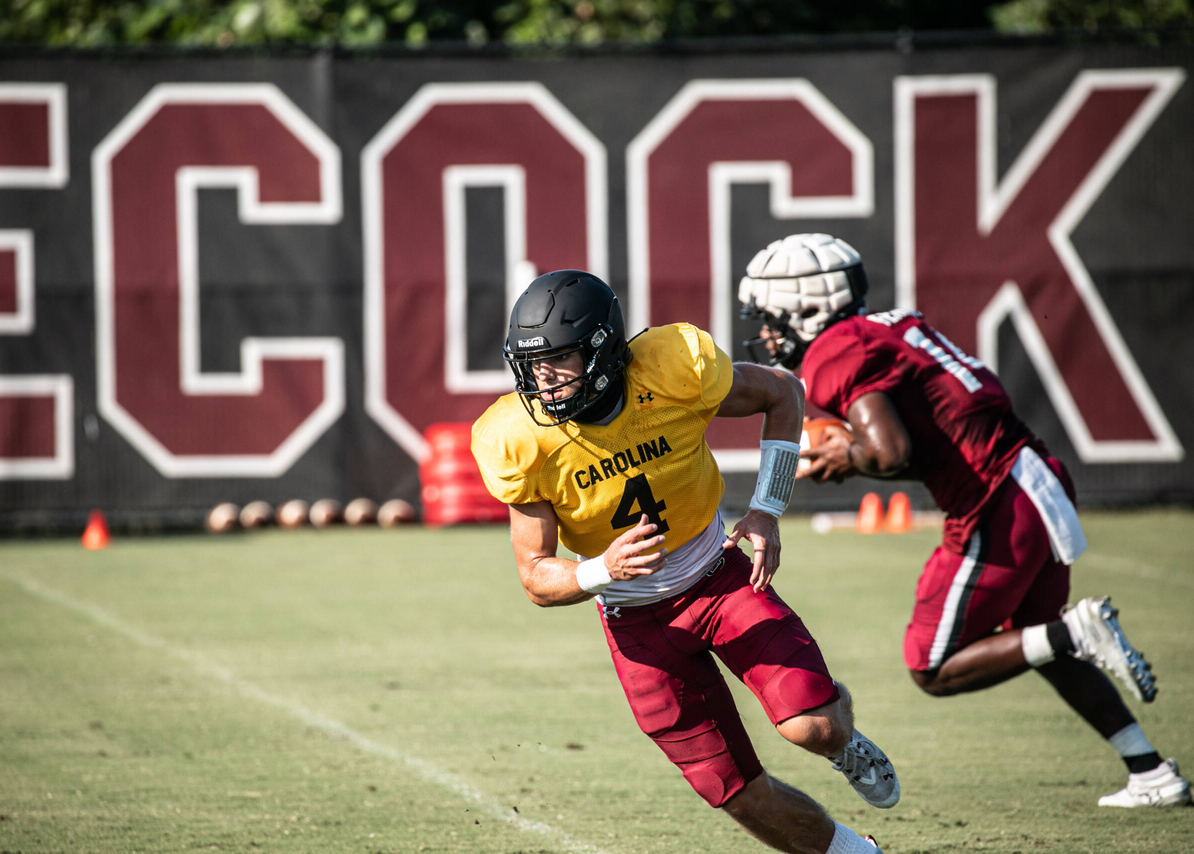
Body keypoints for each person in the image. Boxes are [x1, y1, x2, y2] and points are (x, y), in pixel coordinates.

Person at [738, 232, 1190, 809]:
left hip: (994, 499)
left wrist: (846, 456)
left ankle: (1079, 631)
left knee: (933, 665)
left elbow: (889, 450)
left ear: (806, 306)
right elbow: (929, 441)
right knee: (1039, 640)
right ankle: (1149, 770)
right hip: (1035, 474)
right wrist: (859, 455)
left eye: (774, 316)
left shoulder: (835, 350)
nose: (770, 331)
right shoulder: (891, 324)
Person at [472, 269, 896, 854]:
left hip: (717, 578)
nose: (541, 381)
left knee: (815, 727)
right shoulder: (520, 437)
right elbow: (536, 576)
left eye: (558, 361)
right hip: (636, 625)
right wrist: (601, 570)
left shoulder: (670, 370)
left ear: (601, 349)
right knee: (732, 789)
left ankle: (845, 744)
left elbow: (783, 393)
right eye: (531, 365)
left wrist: (767, 508)